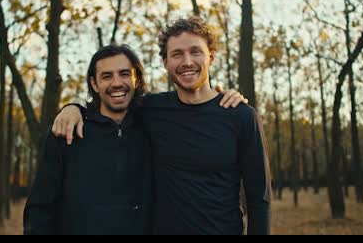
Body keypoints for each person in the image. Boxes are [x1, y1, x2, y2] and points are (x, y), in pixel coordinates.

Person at [53, 16, 271, 235]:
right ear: (166, 62)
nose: (187, 62)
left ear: (211, 57)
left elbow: (259, 200)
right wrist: (73, 108)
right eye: (177, 54)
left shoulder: (241, 116)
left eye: (195, 52)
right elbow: (110, 105)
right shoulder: (150, 109)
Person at [23, 44, 152, 235]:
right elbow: (40, 209)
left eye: (124, 74)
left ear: (136, 79)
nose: (117, 83)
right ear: (94, 84)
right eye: (107, 76)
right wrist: (72, 107)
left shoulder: (153, 128)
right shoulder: (68, 132)